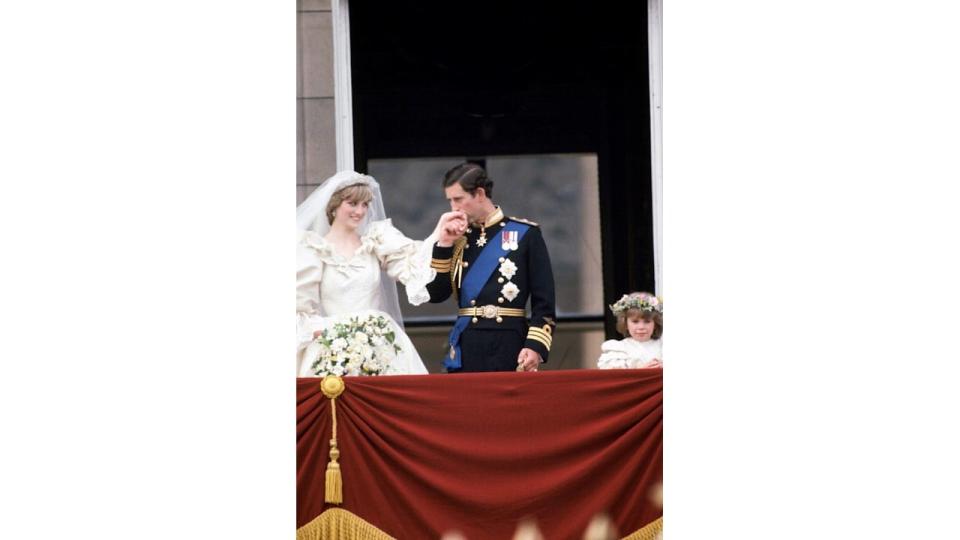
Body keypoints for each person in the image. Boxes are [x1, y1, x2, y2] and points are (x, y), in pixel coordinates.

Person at [296, 170, 465, 376]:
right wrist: (332, 335)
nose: (360, 211)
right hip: (333, 348)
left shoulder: (376, 241)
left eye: (365, 204)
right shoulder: (314, 249)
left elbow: (414, 262)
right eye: (352, 203)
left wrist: (440, 234)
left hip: (381, 343)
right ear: (333, 206)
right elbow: (300, 308)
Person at [426, 162, 557, 373]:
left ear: (479, 193)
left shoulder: (526, 234)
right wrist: (444, 245)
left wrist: (534, 346)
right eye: (450, 201)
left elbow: (545, 301)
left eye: (458, 199)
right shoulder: (456, 238)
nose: (453, 208)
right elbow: (435, 294)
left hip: (511, 343)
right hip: (468, 343)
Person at [597, 292, 663, 369]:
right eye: (635, 322)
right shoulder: (619, 349)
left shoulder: (663, 346)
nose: (641, 327)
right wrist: (641, 371)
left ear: (655, 324)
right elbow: (615, 377)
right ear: (625, 324)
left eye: (647, 321)